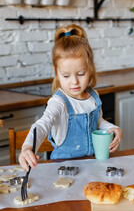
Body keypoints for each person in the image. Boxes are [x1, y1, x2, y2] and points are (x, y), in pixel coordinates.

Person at [19, 24, 122, 171]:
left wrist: (113, 129)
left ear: (90, 68)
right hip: (63, 170)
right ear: (56, 72)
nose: (74, 81)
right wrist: (28, 147)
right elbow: (42, 125)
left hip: (92, 166)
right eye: (66, 75)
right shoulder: (59, 102)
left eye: (81, 74)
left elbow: (98, 122)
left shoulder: (93, 96)